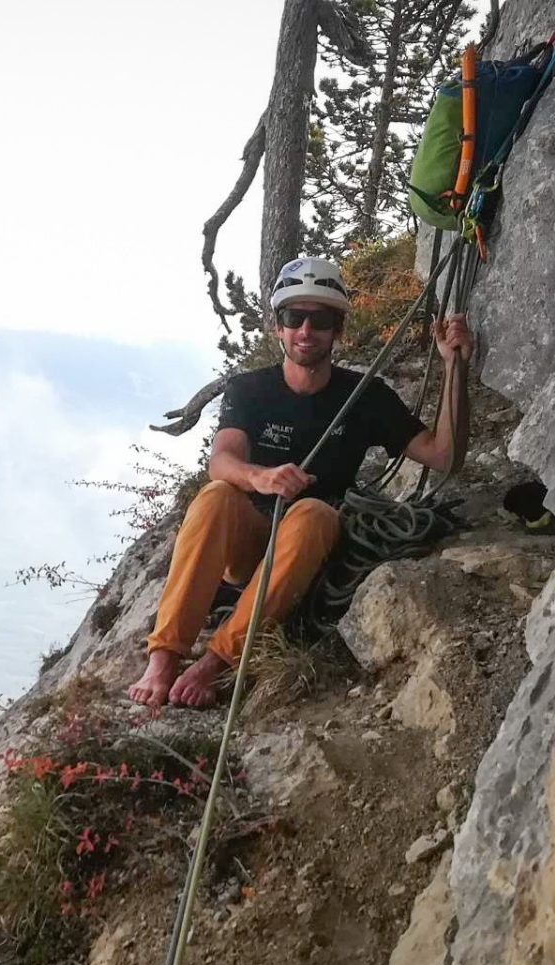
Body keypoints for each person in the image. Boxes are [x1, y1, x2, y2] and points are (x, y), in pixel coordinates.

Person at [127, 256, 474, 708]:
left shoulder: (364, 396)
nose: (306, 331)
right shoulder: (251, 390)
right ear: (278, 326)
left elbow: (444, 456)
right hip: (253, 543)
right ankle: (163, 657)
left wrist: (454, 367)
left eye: (321, 319)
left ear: (339, 329)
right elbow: (223, 461)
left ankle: (216, 661)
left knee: (312, 512)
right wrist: (262, 477)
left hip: (314, 548)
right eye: (295, 317)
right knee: (216, 496)